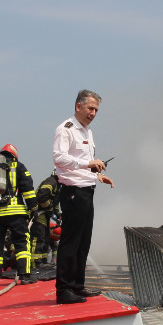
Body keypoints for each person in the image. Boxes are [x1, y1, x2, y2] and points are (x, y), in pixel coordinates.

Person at [52, 89, 115, 304]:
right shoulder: (66, 129)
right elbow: (60, 159)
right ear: (78, 106)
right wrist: (88, 164)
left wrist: (98, 176)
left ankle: (77, 286)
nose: (93, 113)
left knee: (84, 242)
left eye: (96, 109)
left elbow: (84, 164)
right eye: (90, 108)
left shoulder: (87, 132)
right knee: (70, 241)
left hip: (87, 189)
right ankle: (64, 290)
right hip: (73, 192)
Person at [0, 144, 36, 287]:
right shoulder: (19, 166)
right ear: (14, 155)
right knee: (21, 242)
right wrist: (33, 207)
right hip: (16, 212)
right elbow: (28, 188)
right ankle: (24, 276)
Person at [28, 171, 61, 269]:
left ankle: (42, 262)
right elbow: (41, 197)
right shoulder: (51, 182)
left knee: (46, 240)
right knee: (38, 239)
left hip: (44, 216)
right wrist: (50, 209)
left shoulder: (58, 186)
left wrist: (57, 214)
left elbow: (55, 203)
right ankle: (35, 263)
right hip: (37, 216)